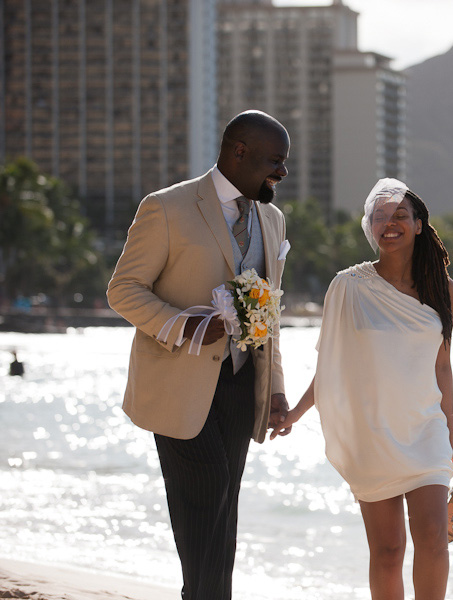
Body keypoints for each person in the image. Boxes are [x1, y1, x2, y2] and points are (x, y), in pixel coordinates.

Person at [107, 110, 293, 600]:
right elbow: (124, 290)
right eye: (275, 161)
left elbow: (268, 314)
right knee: (206, 488)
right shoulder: (166, 207)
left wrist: (275, 390)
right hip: (176, 383)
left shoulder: (271, 219)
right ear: (239, 152)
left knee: (224, 503)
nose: (282, 173)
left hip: (239, 381)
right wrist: (184, 327)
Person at [271, 178, 453, 600]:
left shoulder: (442, 289)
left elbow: (442, 365)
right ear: (370, 227)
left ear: (419, 224)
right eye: (380, 217)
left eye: (400, 215)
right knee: (387, 549)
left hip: (425, 430)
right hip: (372, 434)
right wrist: (295, 414)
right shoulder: (348, 287)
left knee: (434, 538)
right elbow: (330, 364)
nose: (390, 223)